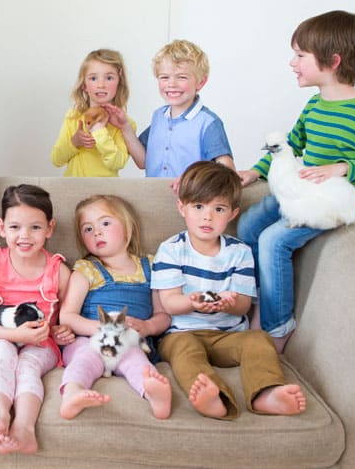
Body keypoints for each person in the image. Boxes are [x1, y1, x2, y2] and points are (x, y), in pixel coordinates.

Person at [237, 10, 355, 353]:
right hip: (300, 193)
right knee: (250, 224)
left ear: (332, 61)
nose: (292, 62)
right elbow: (291, 145)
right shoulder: (314, 105)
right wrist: (257, 170)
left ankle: (277, 327)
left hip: (330, 205)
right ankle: (256, 300)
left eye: (300, 55)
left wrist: (342, 168)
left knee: (273, 241)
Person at [152, 161, 306, 420]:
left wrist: (228, 303)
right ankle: (215, 398)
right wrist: (193, 302)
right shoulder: (171, 249)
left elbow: (243, 306)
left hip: (228, 336)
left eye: (218, 209)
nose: (207, 217)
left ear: (233, 214)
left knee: (258, 340)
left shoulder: (240, 252)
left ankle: (266, 394)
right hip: (182, 333)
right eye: (198, 207)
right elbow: (170, 304)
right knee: (185, 351)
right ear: (182, 208)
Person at [0, 184, 73, 455]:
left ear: (49, 228)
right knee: (2, 353)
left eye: (35, 228)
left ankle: (25, 427)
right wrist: (15, 336)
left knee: (27, 365)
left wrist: (62, 331)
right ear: (2, 227)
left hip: (40, 344)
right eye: (15, 227)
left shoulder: (58, 272)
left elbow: (64, 319)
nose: (24, 236)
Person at [58, 194, 172, 420]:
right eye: (87, 229)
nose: (96, 232)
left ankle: (153, 394)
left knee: (134, 356)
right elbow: (67, 316)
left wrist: (148, 326)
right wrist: (101, 330)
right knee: (85, 355)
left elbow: (164, 315)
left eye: (105, 223)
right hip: (89, 338)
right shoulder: (86, 269)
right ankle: (73, 392)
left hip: (129, 341)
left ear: (128, 229)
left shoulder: (150, 266)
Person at [123, 39, 234, 192]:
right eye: (164, 77)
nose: (171, 84)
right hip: (154, 198)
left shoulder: (208, 122)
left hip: (192, 202)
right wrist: (125, 128)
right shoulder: (158, 117)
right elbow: (143, 162)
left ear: (200, 82)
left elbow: (227, 170)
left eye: (181, 77)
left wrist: (193, 178)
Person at [50, 49, 136, 177]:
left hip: (105, 192)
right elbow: (56, 160)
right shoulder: (73, 117)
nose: (101, 85)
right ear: (84, 85)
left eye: (109, 78)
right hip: (74, 189)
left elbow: (117, 163)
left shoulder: (124, 123)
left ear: (119, 82)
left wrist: (99, 132)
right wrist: (74, 142)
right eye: (93, 78)